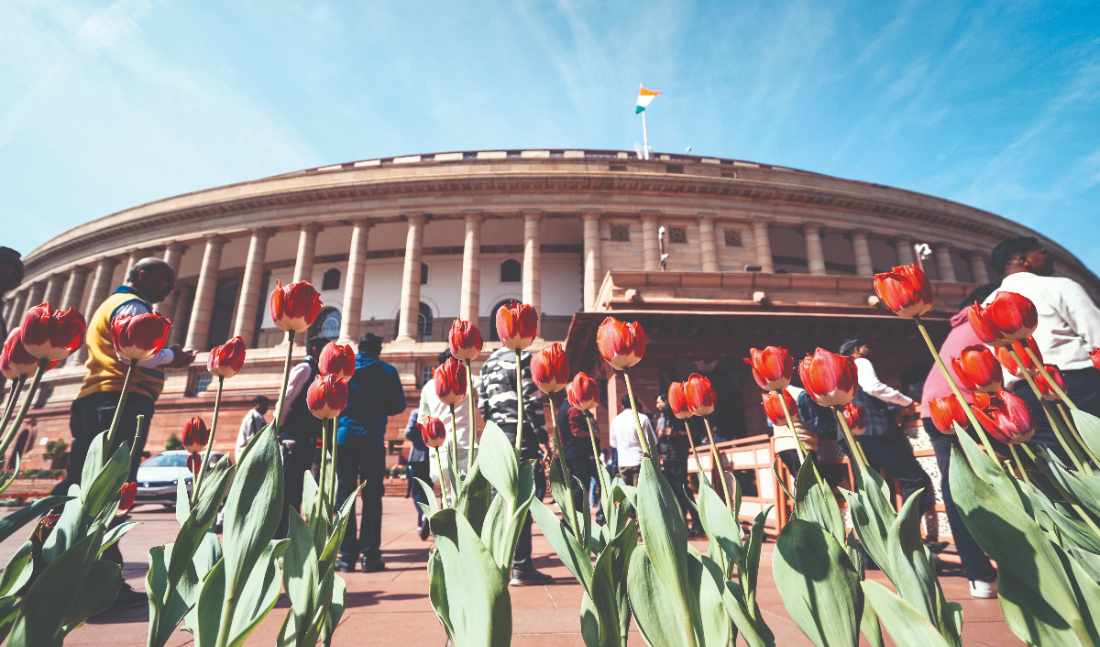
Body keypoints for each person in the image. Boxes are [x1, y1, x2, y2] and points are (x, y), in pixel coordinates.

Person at [61, 257, 196, 608]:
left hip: (94, 400)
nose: (171, 286)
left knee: (79, 489)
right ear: (142, 275)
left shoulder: (110, 303)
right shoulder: (132, 305)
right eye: (165, 278)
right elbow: (135, 354)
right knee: (113, 494)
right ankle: (102, 585)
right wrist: (173, 356)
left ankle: (54, 569)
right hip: (120, 400)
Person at [921, 284, 1005, 599]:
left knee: (956, 486)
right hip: (966, 406)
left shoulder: (960, 326)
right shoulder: (989, 319)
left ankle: (980, 575)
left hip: (935, 408)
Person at [839, 338, 945, 552]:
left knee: (868, 490)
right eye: (867, 346)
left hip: (850, 434)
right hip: (870, 432)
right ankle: (908, 538)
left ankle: (872, 547)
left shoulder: (840, 372)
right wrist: (907, 402)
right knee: (916, 478)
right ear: (857, 349)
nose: (871, 350)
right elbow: (873, 387)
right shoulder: (859, 362)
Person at [988, 236, 1100, 432]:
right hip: (1078, 386)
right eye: (1043, 253)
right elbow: (1096, 333)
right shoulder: (1060, 286)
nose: (1050, 258)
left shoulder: (987, 304)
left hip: (1027, 397)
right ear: (1023, 260)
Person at [478, 344, 551, 586]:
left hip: (496, 435)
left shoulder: (488, 363)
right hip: (521, 434)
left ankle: (498, 562)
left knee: (498, 500)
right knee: (521, 499)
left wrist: (493, 430)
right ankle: (521, 565)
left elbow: (482, 405)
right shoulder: (524, 357)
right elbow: (531, 401)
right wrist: (543, 437)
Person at [335, 332, 406, 573]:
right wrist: (378, 406)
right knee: (373, 497)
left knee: (345, 496)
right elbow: (398, 406)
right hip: (372, 439)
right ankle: (370, 557)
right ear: (379, 349)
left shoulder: (344, 369)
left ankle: (346, 557)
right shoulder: (387, 371)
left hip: (344, 438)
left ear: (358, 347)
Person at [279, 336, 328, 534]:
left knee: (298, 483)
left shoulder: (317, 371)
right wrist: (278, 427)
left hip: (307, 436)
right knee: (288, 482)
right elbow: (287, 397)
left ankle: (291, 526)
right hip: (293, 434)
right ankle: (280, 529)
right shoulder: (305, 368)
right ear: (315, 349)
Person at [419, 349, 481, 485]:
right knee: (469, 491)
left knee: (447, 492)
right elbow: (484, 399)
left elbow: (423, 421)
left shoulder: (428, 386)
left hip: (440, 446)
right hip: (466, 443)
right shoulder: (469, 379)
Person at [557, 394, 605, 525]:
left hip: (574, 454)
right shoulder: (573, 409)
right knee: (580, 487)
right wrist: (595, 435)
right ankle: (573, 519)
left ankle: (574, 519)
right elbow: (576, 431)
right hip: (580, 455)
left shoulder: (563, 408)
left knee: (578, 486)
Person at [655, 393, 699, 534]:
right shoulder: (661, 418)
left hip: (679, 457)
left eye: (659, 402)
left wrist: (676, 433)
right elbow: (656, 437)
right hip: (666, 458)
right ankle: (681, 524)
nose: (658, 406)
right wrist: (659, 435)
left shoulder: (682, 415)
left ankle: (697, 523)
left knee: (683, 489)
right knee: (673, 492)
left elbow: (694, 433)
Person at [770, 382, 820, 477]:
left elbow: (770, 422)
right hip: (802, 444)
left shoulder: (771, 396)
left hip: (781, 447)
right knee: (809, 481)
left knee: (800, 480)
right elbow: (812, 424)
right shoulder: (800, 393)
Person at [609, 394, 657, 487]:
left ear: (622, 406)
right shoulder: (642, 418)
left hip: (623, 462)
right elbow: (653, 441)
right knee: (639, 493)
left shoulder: (615, 421)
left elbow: (613, 443)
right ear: (637, 405)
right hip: (639, 461)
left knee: (626, 494)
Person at [403, 410, 432, 540]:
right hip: (431, 456)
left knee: (416, 492)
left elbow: (408, 432)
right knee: (427, 491)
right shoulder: (437, 409)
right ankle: (421, 525)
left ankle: (424, 514)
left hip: (417, 456)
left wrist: (418, 438)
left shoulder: (417, 412)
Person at [234, 395, 270, 462]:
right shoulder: (253, 417)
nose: (266, 407)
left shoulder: (258, 417)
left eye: (267, 405)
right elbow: (253, 438)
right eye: (264, 404)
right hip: (249, 456)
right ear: (255, 404)